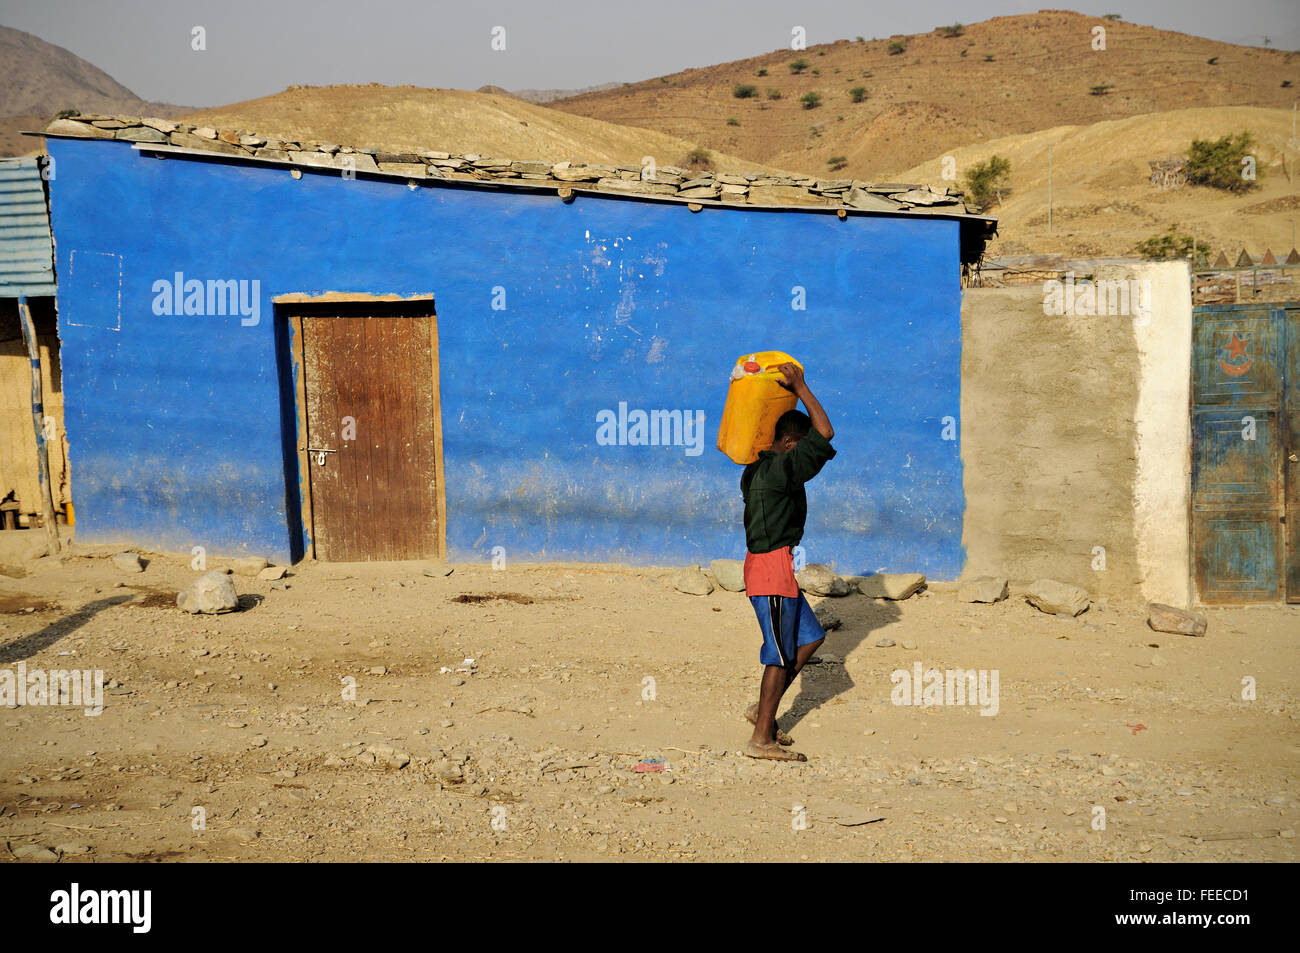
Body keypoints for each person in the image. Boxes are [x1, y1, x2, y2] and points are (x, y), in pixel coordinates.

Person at [740, 362, 836, 762]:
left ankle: (763, 710)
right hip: (770, 570)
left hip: (772, 566)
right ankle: (762, 739)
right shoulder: (781, 469)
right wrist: (800, 384)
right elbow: (825, 434)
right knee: (778, 654)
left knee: (810, 638)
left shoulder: (756, 468)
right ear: (792, 443)